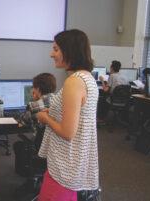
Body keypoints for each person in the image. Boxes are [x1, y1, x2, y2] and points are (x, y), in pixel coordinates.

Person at [36, 29, 99, 201]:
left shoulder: (74, 82)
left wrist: (46, 118)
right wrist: (55, 112)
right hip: (73, 163)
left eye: (56, 49)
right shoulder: (87, 78)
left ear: (69, 50)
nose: (51, 54)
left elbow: (68, 132)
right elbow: (78, 117)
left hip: (64, 166)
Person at [18, 73, 56, 150]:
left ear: (37, 89)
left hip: (40, 146)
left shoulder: (33, 106)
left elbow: (23, 121)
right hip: (55, 145)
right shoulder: (59, 102)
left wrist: (34, 101)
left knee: (17, 145)